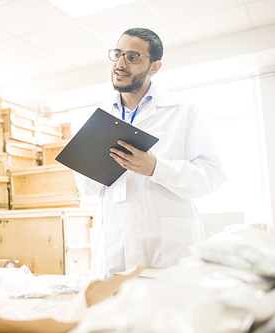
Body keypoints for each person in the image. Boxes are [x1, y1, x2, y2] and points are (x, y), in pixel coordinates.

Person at [74, 27, 227, 279]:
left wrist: (156, 168)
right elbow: (85, 187)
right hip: (115, 245)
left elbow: (211, 175)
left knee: (167, 311)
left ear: (154, 67)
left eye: (132, 57)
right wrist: (95, 164)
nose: (120, 64)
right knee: (117, 313)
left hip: (168, 249)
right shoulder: (96, 118)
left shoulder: (183, 111)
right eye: (117, 54)